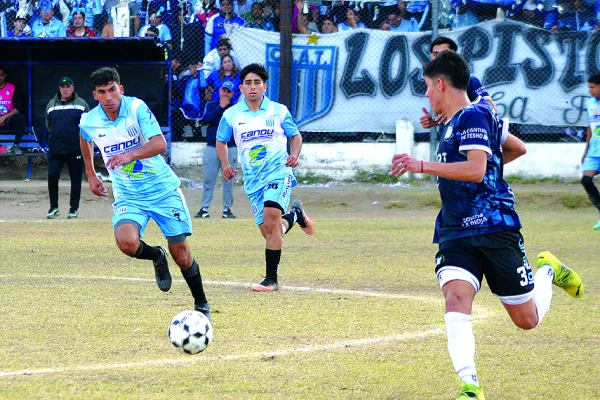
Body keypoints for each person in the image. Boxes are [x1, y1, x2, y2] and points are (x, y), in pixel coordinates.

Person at [389, 51, 583, 400]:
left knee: (527, 320)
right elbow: (500, 154)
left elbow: (477, 169)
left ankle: (548, 271)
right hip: (455, 230)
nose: (427, 96)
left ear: (441, 84)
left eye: (427, 88)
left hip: (494, 228)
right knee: (455, 297)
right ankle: (469, 386)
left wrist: (422, 165)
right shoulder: (453, 120)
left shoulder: (475, 115)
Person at [78, 67, 211, 318]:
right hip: (129, 195)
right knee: (126, 243)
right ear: (95, 95)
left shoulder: (136, 108)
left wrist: (129, 154)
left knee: (181, 256)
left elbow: (160, 144)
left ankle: (201, 302)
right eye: (102, 92)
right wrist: (91, 173)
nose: (109, 97)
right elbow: (85, 137)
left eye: (112, 90)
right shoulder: (89, 120)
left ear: (121, 89)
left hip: (162, 190)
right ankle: (156, 255)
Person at [215, 63, 315, 292]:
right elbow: (221, 141)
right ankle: (296, 214)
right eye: (248, 83)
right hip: (252, 179)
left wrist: (294, 154)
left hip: (278, 172)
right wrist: (225, 165)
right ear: (241, 87)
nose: (252, 87)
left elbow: (295, 136)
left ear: (265, 86)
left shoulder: (278, 111)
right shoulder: (231, 115)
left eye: (257, 83)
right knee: (271, 231)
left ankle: (271, 279)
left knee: (271, 222)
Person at [420, 36, 497, 129]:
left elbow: (491, 108)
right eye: (435, 54)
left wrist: (463, 112)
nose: (439, 58)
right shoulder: (432, 82)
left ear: (454, 55)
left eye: (444, 54)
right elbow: (446, 116)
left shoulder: (469, 80)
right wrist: (436, 122)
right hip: (448, 138)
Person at [45, 77, 89, 219]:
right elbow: (48, 124)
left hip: (75, 149)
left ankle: (73, 209)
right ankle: (53, 208)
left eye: (67, 86)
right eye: (62, 86)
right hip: (56, 149)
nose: (65, 89)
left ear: (73, 87)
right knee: (52, 176)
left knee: (75, 179)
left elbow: (88, 124)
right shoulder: (51, 105)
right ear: (59, 88)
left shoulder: (82, 104)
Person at [194, 81, 238, 219]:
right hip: (212, 145)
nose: (225, 93)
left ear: (232, 94)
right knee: (208, 179)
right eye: (223, 90)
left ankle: (227, 209)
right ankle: (204, 208)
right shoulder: (212, 105)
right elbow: (207, 119)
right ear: (219, 91)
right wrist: (221, 107)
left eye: (228, 91)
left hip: (230, 146)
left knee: (229, 180)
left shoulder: (236, 109)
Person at [581, 73, 600, 229]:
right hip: (594, 151)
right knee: (586, 180)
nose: (589, 90)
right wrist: (586, 151)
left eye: (593, 87)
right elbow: (591, 127)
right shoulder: (591, 103)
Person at [0, 66, 27, 155]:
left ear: (5, 76)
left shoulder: (12, 88)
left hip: (8, 119)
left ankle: (16, 145)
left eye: (1, 75)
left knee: (21, 118)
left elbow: (18, 108)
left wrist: (3, 118)